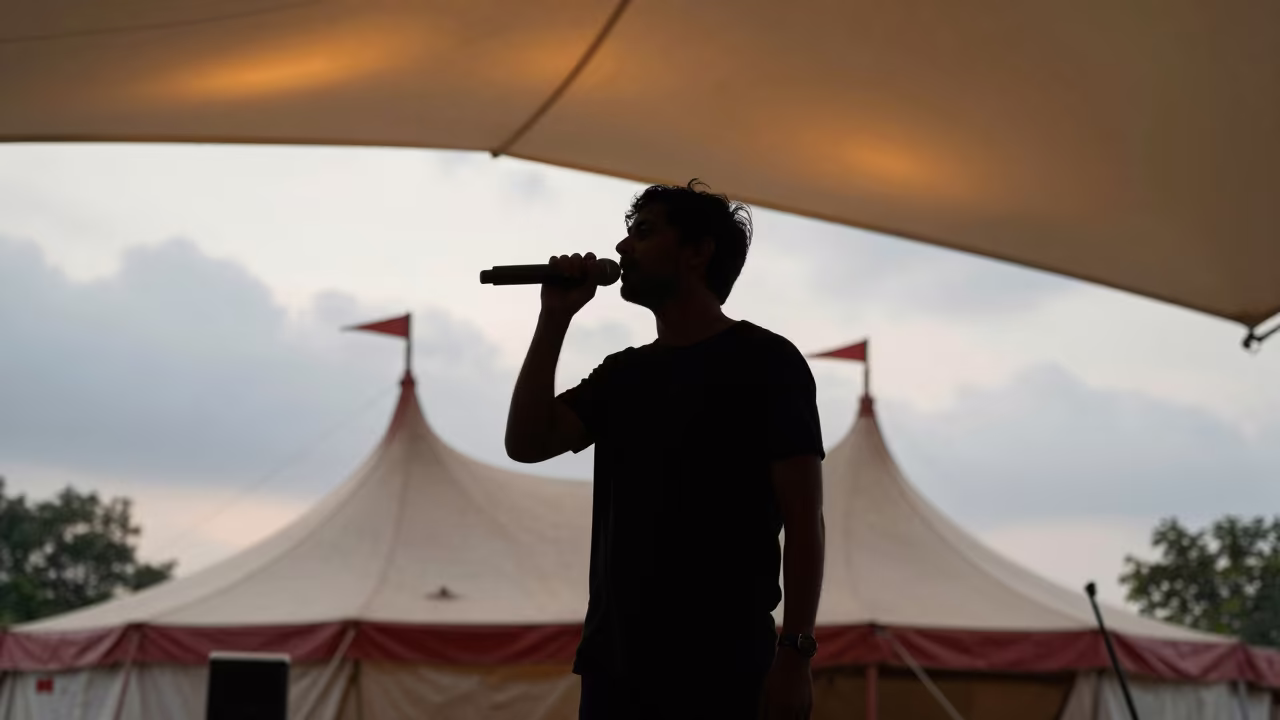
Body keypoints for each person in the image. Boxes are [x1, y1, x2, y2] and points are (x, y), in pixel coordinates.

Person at [505, 180, 825, 719]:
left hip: (724, 668)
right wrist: (554, 316)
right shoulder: (623, 374)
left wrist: (794, 657)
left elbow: (804, 521)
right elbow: (527, 442)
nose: (623, 249)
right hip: (616, 667)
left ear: (698, 252)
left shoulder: (767, 362)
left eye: (643, 233)